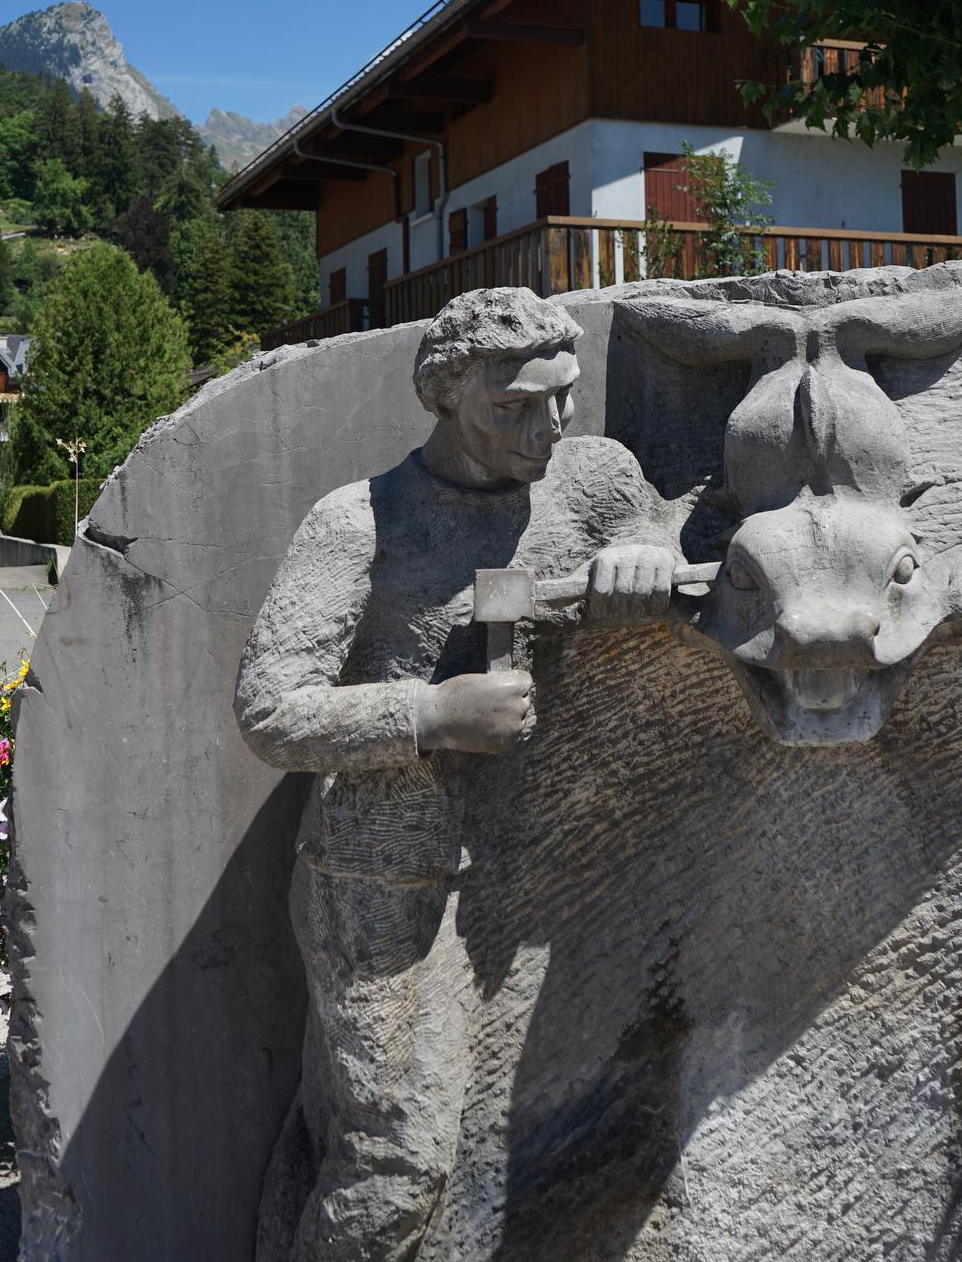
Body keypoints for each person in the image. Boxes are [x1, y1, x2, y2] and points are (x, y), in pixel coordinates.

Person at [236, 287, 681, 1261]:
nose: (546, 428)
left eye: (561, 397)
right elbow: (269, 708)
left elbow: (669, 532)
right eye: (511, 408)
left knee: (377, 1137)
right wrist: (431, 714)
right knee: (396, 1163)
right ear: (445, 395)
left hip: (535, 878)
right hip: (382, 887)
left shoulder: (590, 478)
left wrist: (649, 556)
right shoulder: (361, 525)